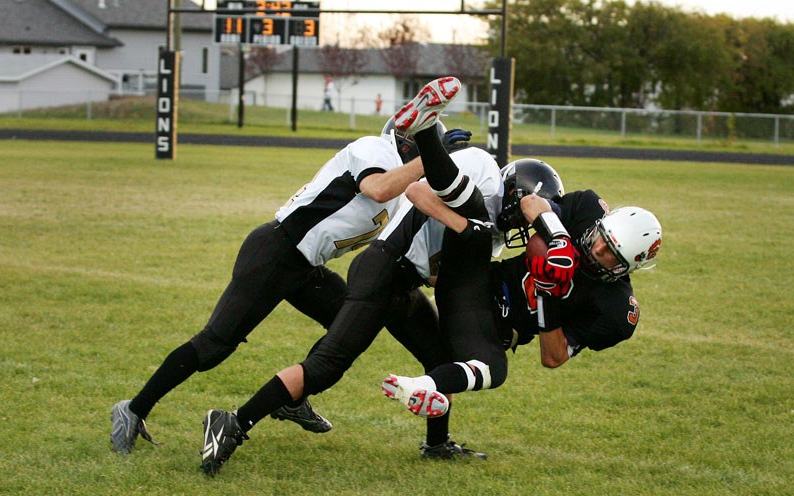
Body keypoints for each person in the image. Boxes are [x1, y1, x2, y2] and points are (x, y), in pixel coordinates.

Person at [108, 105, 471, 454]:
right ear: (410, 145)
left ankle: (293, 399)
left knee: (346, 329)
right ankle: (134, 408)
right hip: (275, 252)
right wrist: (431, 156)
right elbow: (376, 188)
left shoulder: (399, 185)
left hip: (305, 266)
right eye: (428, 154)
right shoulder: (372, 148)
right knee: (213, 346)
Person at [200, 76, 507, 475]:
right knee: (328, 365)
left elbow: (436, 268)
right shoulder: (450, 179)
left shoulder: (469, 197)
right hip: (383, 272)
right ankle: (234, 422)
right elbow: (420, 202)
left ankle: (437, 443)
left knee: (440, 357)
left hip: (402, 279)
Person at [381, 149, 663, 418]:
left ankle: (423, 393)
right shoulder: (587, 210)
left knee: (473, 364)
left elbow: (553, 357)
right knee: (490, 367)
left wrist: (547, 296)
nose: (599, 250)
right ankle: (399, 275)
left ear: (629, 268)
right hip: (481, 281)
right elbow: (531, 203)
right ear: (602, 223)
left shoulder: (615, 310)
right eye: (603, 238)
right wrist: (559, 239)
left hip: (499, 325)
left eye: (612, 256)